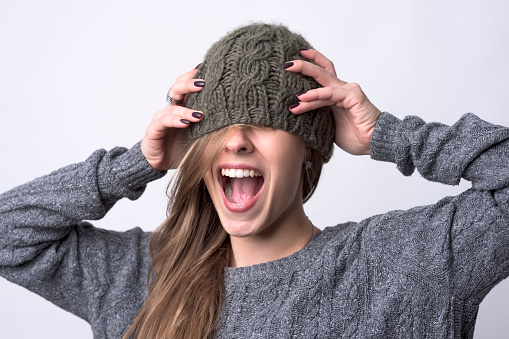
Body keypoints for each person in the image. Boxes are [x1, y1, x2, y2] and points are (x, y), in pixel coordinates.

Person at [1, 23, 508, 339]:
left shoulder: (405, 264)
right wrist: (137, 164)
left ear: (310, 145)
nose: (237, 141)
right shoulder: (139, 278)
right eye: (217, 125)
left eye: (266, 122)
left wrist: (389, 135)